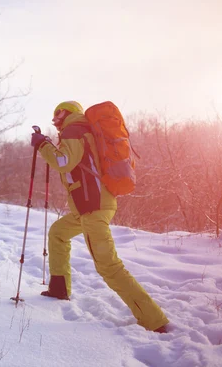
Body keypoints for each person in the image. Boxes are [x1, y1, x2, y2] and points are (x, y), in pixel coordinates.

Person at [30, 101, 169, 333]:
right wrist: (48, 144)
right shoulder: (82, 131)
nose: (55, 120)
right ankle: (59, 288)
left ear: (67, 113)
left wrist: (44, 145)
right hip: (89, 206)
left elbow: (63, 162)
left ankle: (154, 320)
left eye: (58, 114)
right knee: (58, 233)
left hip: (93, 207)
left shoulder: (74, 130)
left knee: (108, 266)